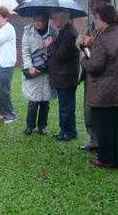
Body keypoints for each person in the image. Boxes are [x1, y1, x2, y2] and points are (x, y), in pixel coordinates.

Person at [80, 5, 118, 170]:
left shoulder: (103, 39)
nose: (95, 21)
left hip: (105, 92)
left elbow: (94, 67)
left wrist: (83, 57)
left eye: (96, 18)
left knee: (105, 126)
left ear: (104, 19)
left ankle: (106, 159)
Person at [45, 8, 80, 141]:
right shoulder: (63, 31)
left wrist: (50, 45)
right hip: (62, 75)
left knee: (66, 107)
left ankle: (67, 132)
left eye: (55, 18)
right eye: (52, 18)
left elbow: (61, 55)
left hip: (66, 76)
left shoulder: (70, 33)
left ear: (65, 17)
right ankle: (66, 130)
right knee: (65, 105)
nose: (53, 21)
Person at [22, 10, 57, 135]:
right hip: (33, 69)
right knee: (33, 100)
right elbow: (25, 52)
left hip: (46, 70)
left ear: (47, 21)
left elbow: (56, 51)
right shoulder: (27, 32)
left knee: (44, 100)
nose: (39, 23)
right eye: (36, 20)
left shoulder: (52, 32)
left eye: (42, 20)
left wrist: (50, 54)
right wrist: (29, 67)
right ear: (33, 20)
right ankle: (30, 125)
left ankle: (42, 125)